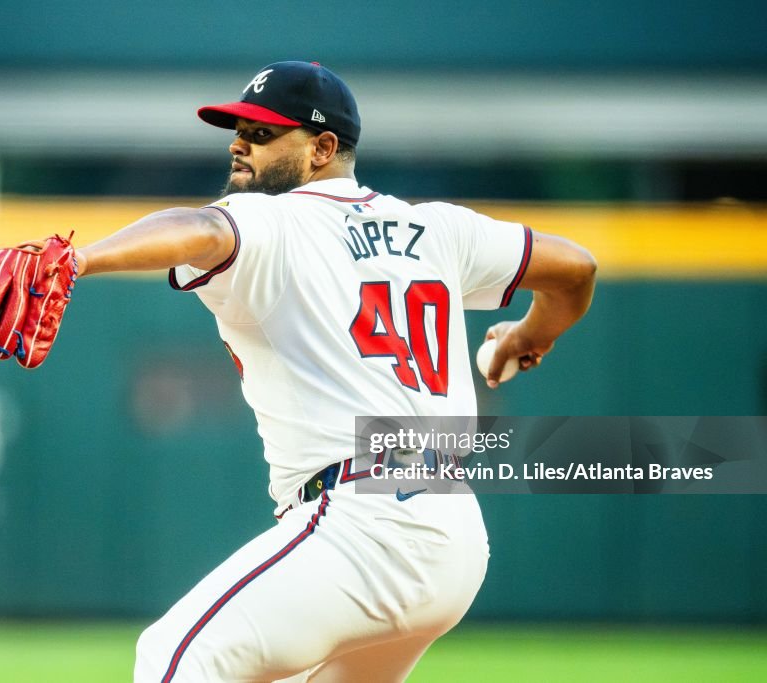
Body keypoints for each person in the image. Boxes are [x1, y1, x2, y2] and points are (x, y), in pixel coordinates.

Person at [76, 61, 596, 682]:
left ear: (324, 147)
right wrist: (530, 334)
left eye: (264, 132)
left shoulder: (273, 219)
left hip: (363, 524)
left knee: (172, 660)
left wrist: (79, 259)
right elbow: (577, 269)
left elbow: (198, 227)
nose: (241, 142)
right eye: (238, 129)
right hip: (451, 535)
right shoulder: (439, 228)